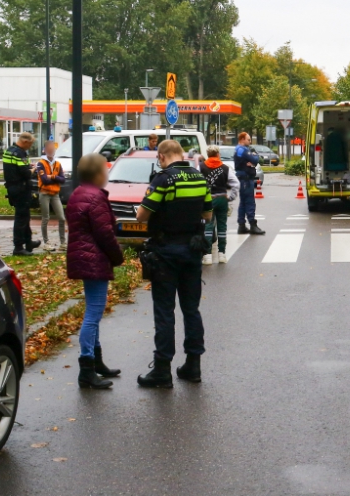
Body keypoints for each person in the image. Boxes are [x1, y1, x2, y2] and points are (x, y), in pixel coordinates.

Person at [136, 140, 213, 388]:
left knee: (165, 312)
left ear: (161, 156)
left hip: (166, 252)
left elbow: (142, 215)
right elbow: (208, 214)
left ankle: (162, 370)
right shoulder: (200, 178)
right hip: (192, 251)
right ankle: (193, 365)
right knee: (191, 309)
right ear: (181, 154)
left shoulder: (163, 179)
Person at [65, 153, 125, 390]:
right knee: (93, 315)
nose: (108, 174)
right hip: (95, 260)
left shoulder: (79, 193)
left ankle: (96, 362)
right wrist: (118, 256)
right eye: (106, 170)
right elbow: (104, 234)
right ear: (98, 174)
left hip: (84, 258)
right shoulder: (96, 198)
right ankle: (87, 368)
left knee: (94, 312)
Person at [2, 132, 41, 256]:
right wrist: (34, 169)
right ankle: (18, 247)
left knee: (25, 216)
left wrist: (27, 166)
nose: (30, 147)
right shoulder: (20, 153)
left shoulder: (9, 151)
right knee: (21, 218)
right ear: (25, 142)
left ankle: (28, 242)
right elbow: (26, 173)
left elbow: (15, 168)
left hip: (13, 187)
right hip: (21, 189)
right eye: (30, 144)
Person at [200, 145, 240, 264]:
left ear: (208, 155)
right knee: (222, 226)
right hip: (222, 198)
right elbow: (236, 184)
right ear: (218, 154)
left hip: (208, 199)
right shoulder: (225, 168)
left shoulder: (201, 167)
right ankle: (222, 254)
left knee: (208, 226)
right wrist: (231, 197)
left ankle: (207, 255)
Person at [36, 140, 67, 250]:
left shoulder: (57, 164)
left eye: (52, 149)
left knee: (62, 218)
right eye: (48, 148)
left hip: (55, 194)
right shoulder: (41, 164)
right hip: (44, 193)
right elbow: (44, 180)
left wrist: (52, 177)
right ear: (45, 150)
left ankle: (63, 243)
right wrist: (54, 178)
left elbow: (63, 179)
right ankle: (46, 242)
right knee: (46, 218)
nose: (51, 150)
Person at [233, 132, 265, 235]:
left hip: (242, 178)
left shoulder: (238, 149)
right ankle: (252, 225)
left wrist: (252, 160)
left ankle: (241, 225)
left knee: (243, 203)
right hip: (246, 179)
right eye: (248, 139)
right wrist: (255, 156)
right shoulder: (243, 150)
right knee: (250, 202)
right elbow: (255, 160)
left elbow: (252, 161)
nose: (250, 142)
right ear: (242, 139)